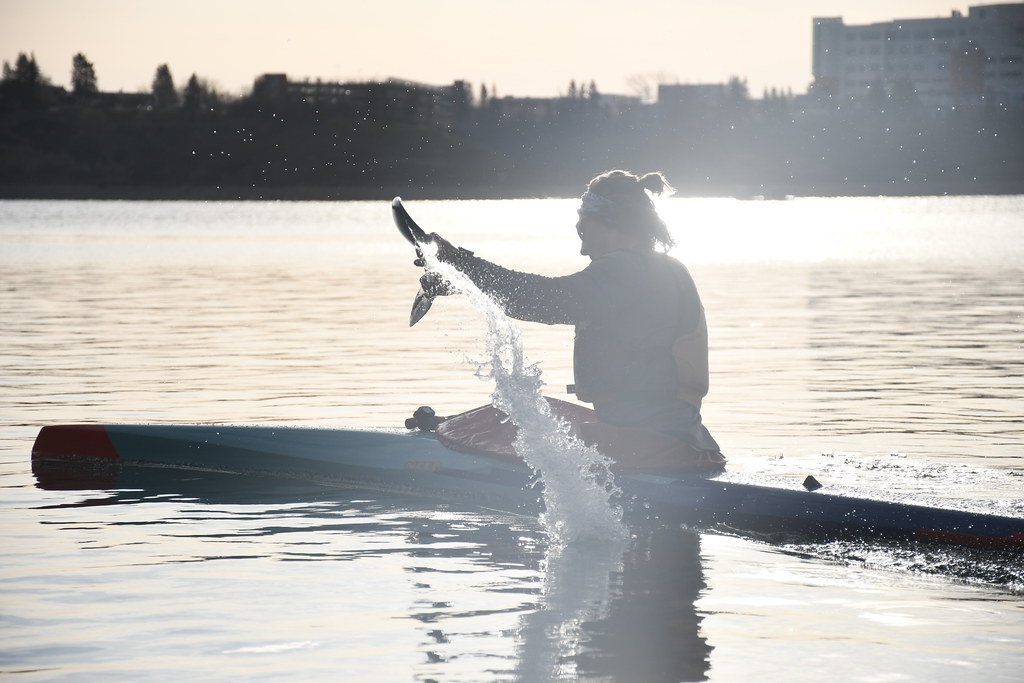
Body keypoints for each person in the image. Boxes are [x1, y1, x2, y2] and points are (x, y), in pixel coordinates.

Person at [419, 170, 724, 471]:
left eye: (584, 231)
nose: (583, 247)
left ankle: (451, 435)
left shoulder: (626, 268)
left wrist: (461, 264)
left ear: (612, 223)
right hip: (686, 442)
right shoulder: (661, 268)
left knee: (498, 423)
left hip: (649, 449)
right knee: (514, 415)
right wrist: (464, 281)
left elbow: (549, 300)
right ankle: (453, 426)